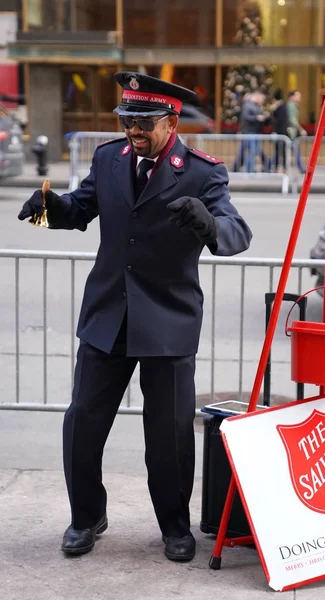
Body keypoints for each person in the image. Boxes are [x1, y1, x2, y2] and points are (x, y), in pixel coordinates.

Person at [17, 72, 252, 562]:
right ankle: (87, 517)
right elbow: (81, 208)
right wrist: (47, 209)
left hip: (167, 321)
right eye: (127, 119)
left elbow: (236, 231)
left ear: (171, 121)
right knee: (82, 423)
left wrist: (209, 224)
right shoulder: (108, 159)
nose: (133, 130)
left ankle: (173, 527)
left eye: (143, 121)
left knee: (167, 437)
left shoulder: (203, 172)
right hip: (108, 315)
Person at [232, 91, 267, 173]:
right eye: (262, 99)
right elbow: (246, 117)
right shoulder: (248, 105)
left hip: (252, 132)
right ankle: (249, 169)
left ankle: (241, 168)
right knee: (251, 152)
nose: (262, 101)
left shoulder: (254, 106)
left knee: (248, 152)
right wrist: (256, 117)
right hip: (249, 132)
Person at [286, 90, 307, 174]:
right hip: (291, 132)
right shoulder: (291, 106)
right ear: (292, 96)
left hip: (291, 132)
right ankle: (300, 167)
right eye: (298, 96)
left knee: (283, 150)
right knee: (295, 149)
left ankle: (269, 165)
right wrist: (300, 129)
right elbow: (292, 119)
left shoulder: (293, 105)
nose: (299, 98)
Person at [270, 88, 288, 173]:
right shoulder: (284, 107)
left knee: (278, 151)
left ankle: (278, 168)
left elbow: (276, 121)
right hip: (283, 133)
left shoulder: (279, 108)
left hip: (279, 133)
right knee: (282, 152)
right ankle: (283, 168)